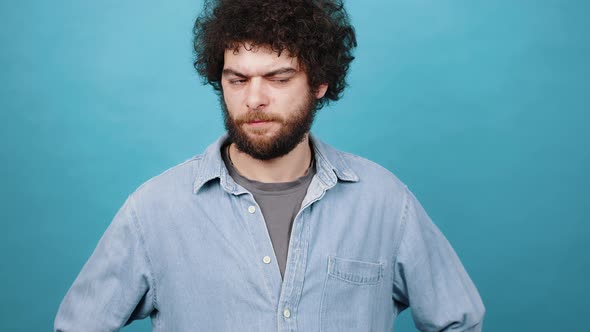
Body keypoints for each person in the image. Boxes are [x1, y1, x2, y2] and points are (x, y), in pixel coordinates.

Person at [54, 0, 485, 331]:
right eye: (237, 79)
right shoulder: (153, 210)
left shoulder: (385, 202)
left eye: (278, 79)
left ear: (319, 82)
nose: (254, 99)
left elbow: (458, 319)